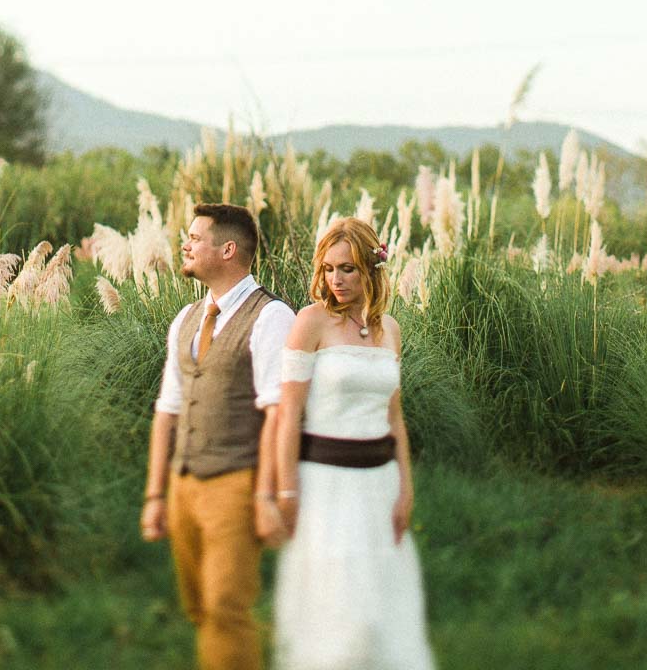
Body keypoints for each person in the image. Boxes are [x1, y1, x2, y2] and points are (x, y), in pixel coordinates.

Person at [268, 217, 434, 670]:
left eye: (348, 269)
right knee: (339, 614)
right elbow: (288, 414)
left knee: (383, 611)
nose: (336, 280)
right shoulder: (311, 323)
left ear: (370, 270)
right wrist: (286, 491)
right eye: (328, 269)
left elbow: (394, 416)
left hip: (378, 486)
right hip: (325, 487)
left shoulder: (391, 330)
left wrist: (406, 489)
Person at [142, 202, 295, 670]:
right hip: (184, 484)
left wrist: (267, 494)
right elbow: (166, 411)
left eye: (194, 237)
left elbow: (278, 413)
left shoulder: (271, 317)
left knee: (226, 610)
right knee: (200, 610)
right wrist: (156, 494)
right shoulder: (186, 317)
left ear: (227, 249)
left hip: (236, 483)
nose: (184, 245)